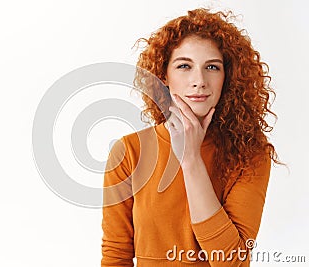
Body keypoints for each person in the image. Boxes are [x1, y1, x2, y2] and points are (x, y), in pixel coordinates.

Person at [101, 8, 283, 267]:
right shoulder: (129, 151)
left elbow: (232, 262)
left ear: (227, 77)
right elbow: (115, 257)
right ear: (164, 76)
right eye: (184, 66)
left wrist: (190, 160)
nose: (199, 81)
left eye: (212, 67)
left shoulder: (251, 154)